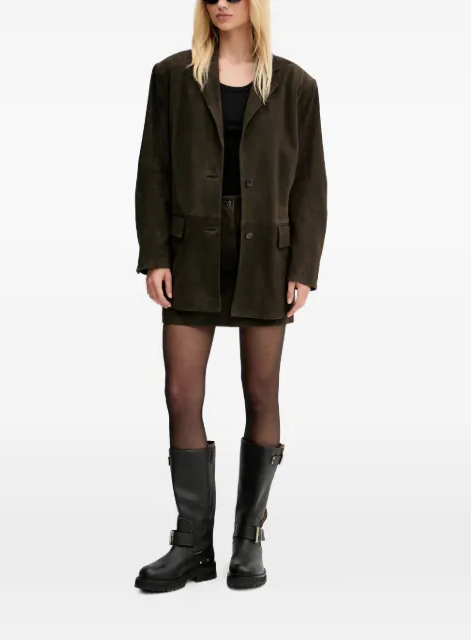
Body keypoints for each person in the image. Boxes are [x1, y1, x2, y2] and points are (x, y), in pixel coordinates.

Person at [134, 0, 327, 592]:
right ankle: (193, 544)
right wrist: (156, 254)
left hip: (266, 257)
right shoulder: (172, 75)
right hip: (191, 253)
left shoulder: (296, 84)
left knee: (261, 391)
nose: (221, 2)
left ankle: (248, 540)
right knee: (180, 393)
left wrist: (303, 267)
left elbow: (310, 182)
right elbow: (153, 169)